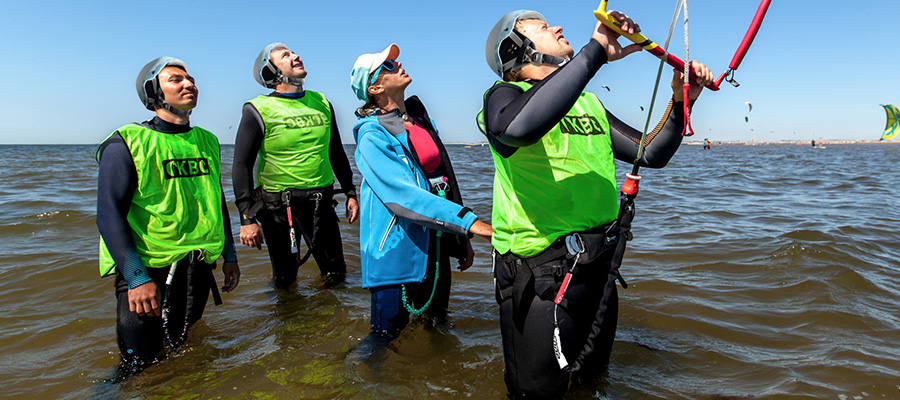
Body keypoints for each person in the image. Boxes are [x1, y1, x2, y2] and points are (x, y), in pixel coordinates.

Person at [479, 10, 714, 398]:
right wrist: (595, 52)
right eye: (541, 27)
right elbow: (514, 130)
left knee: (590, 385)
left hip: (596, 268)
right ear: (517, 49)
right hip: (540, 278)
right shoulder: (504, 97)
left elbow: (651, 152)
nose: (556, 27)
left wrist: (679, 99)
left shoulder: (589, 106)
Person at [96, 56, 241, 376]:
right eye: (176, 79)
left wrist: (230, 256)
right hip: (148, 272)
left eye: (190, 79)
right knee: (137, 370)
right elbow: (108, 214)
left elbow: (215, 203)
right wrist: (136, 278)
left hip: (197, 269)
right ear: (153, 91)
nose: (189, 84)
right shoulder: (125, 142)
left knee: (184, 354)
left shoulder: (207, 141)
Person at [349, 44, 494, 342]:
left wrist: (460, 239)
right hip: (396, 250)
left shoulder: (419, 120)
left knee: (437, 328)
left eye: (395, 60)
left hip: (436, 242)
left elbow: (444, 180)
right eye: (387, 66)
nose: (397, 63)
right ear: (374, 87)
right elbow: (402, 196)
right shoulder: (371, 135)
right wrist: (470, 223)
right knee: (383, 341)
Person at [232, 43, 359, 289]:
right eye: (285, 55)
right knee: (285, 280)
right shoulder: (257, 109)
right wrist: (246, 217)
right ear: (271, 71)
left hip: (320, 203)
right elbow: (241, 165)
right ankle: (286, 324)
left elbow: (336, 151)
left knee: (336, 275)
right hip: (279, 208)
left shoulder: (321, 102)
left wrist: (350, 191)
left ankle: (333, 324)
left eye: (294, 52)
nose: (296, 56)